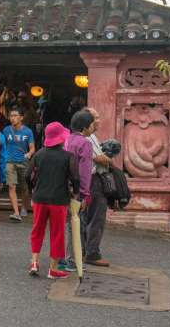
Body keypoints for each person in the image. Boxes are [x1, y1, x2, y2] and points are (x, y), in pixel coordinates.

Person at [25, 122, 79, 280]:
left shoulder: (39, 154)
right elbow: (75, 178)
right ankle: (53, 269)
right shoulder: (68, 156)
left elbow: (27, 175)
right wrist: (76, 194)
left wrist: (31, 192)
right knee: (57, 233)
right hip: (58, 200)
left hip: (39, 198)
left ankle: (34, 262)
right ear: (61, 139)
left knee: (37, 230)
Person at [61, 110, 94, 272]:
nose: (93, 127)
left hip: (61, 187)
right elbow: (85, 171)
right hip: (76, 190)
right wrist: (85, 195)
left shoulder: (65, 139)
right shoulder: (85, 144)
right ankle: (71, 259)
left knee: (63, 223)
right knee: (74, 224)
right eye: (92, 124)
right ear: (85, 127)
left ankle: (61, 257)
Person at [82, 107, 112, 267]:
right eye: (96, 118)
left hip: (90, 180)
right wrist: (109, 159)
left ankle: (85, 250)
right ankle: (92, 253)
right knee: (95, 218)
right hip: (93, 180)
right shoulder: (86, 138)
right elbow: (99, 158)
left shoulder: (91, 136)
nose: (99, 121)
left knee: (87, 217)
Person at [2, 107, 36, 222]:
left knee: (24, 187)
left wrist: (29, 154)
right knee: (11, 186)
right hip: (9, 161)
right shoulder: (6, 130)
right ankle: (16, 213)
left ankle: (24, 207)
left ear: (21, 117)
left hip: (23, 161)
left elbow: (32, 148)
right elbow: (3, 145)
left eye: (16, 116)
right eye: (11, 116)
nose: (13, 118)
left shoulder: (28, 131)